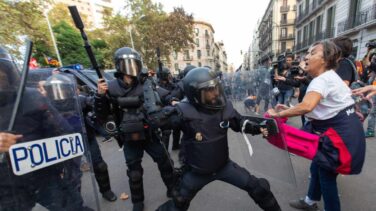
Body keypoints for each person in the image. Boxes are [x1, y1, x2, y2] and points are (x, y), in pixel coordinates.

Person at [156, 67, 281, 211]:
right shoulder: (183, 111)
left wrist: (258, 128)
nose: (215, 93)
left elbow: (239, 123)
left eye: (216, 87)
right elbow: (158, 121)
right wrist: (158, 116)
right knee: (177, 204)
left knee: (259, 189)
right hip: (196, 173)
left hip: (224, 167)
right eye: (209, 90)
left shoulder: (223, 107)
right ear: (195, 94)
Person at [267, 40, 366, 211]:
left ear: (324, 59)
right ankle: (310, 200)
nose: (307, 57)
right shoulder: (329, 77)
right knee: (317, 165)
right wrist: (290, 108)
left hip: (340, 137)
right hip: (345, 132)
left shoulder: (322, 80)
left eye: (313, 53)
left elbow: (307, 106)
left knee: (326, 176)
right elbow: (322, 107)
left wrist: (279, 114)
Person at [94, 46, 176, 211]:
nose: (132, 67)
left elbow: (163, 95)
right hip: (129, 136)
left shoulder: (145, 82)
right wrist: (100, 96)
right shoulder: (110, 87)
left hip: (149, 133)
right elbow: (101, 114)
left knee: (165, 162)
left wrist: (173, 100)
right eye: (128, 63)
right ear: (119, 66)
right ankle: (138, 202)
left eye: (134, 63)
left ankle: (172, 189)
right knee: (134, 172)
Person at [157, 67, 181, 150]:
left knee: (177, 127)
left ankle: (176, 145)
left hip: (173, 109)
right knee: (166, 132)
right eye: (168, 75)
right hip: (163, 111)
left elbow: (175, 92)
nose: (170, 76)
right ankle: (165, 152)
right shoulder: (156, 86)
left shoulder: (172, 84)